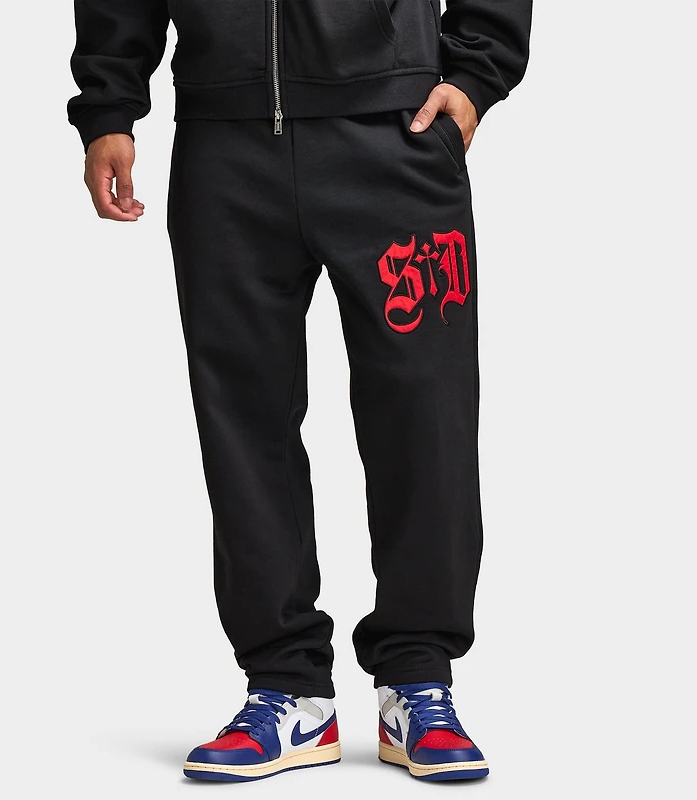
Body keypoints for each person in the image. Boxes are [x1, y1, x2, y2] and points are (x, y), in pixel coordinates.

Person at [68, 0, 531, 784]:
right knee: (244, 422)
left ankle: (418, 678)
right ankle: (288, 689)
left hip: (396, 130)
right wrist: (110, 101)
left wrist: (477, 71)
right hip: (225, 137)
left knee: (425, 413)